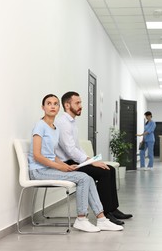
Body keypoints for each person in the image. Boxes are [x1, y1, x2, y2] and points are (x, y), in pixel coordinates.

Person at [28, 94, 123, 232]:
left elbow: (51, 155)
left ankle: (102, 219)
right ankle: (81, 218)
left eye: (55, 103)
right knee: (84, 178)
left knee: (88, 178)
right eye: (49, 103)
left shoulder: (53, 128)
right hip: (39, 171)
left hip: (48, 168)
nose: (52, 106)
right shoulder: (40, 126)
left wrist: (65, 166)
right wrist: (60, 167)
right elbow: (37, 156)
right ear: (43, 107)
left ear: (59, 107)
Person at [55, 91, 133, 226]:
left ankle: (113, 209)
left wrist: (91, 160)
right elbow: (70, 150)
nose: (81, 106)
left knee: (110, 170)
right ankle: (106, 213)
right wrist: (90, 162)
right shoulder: (63, 123)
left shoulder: (72, 122)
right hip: (67, 164)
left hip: (74, 160)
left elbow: (77, 147)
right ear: (67, 105)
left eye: (81, 103)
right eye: (77, 103)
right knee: (104, 172)